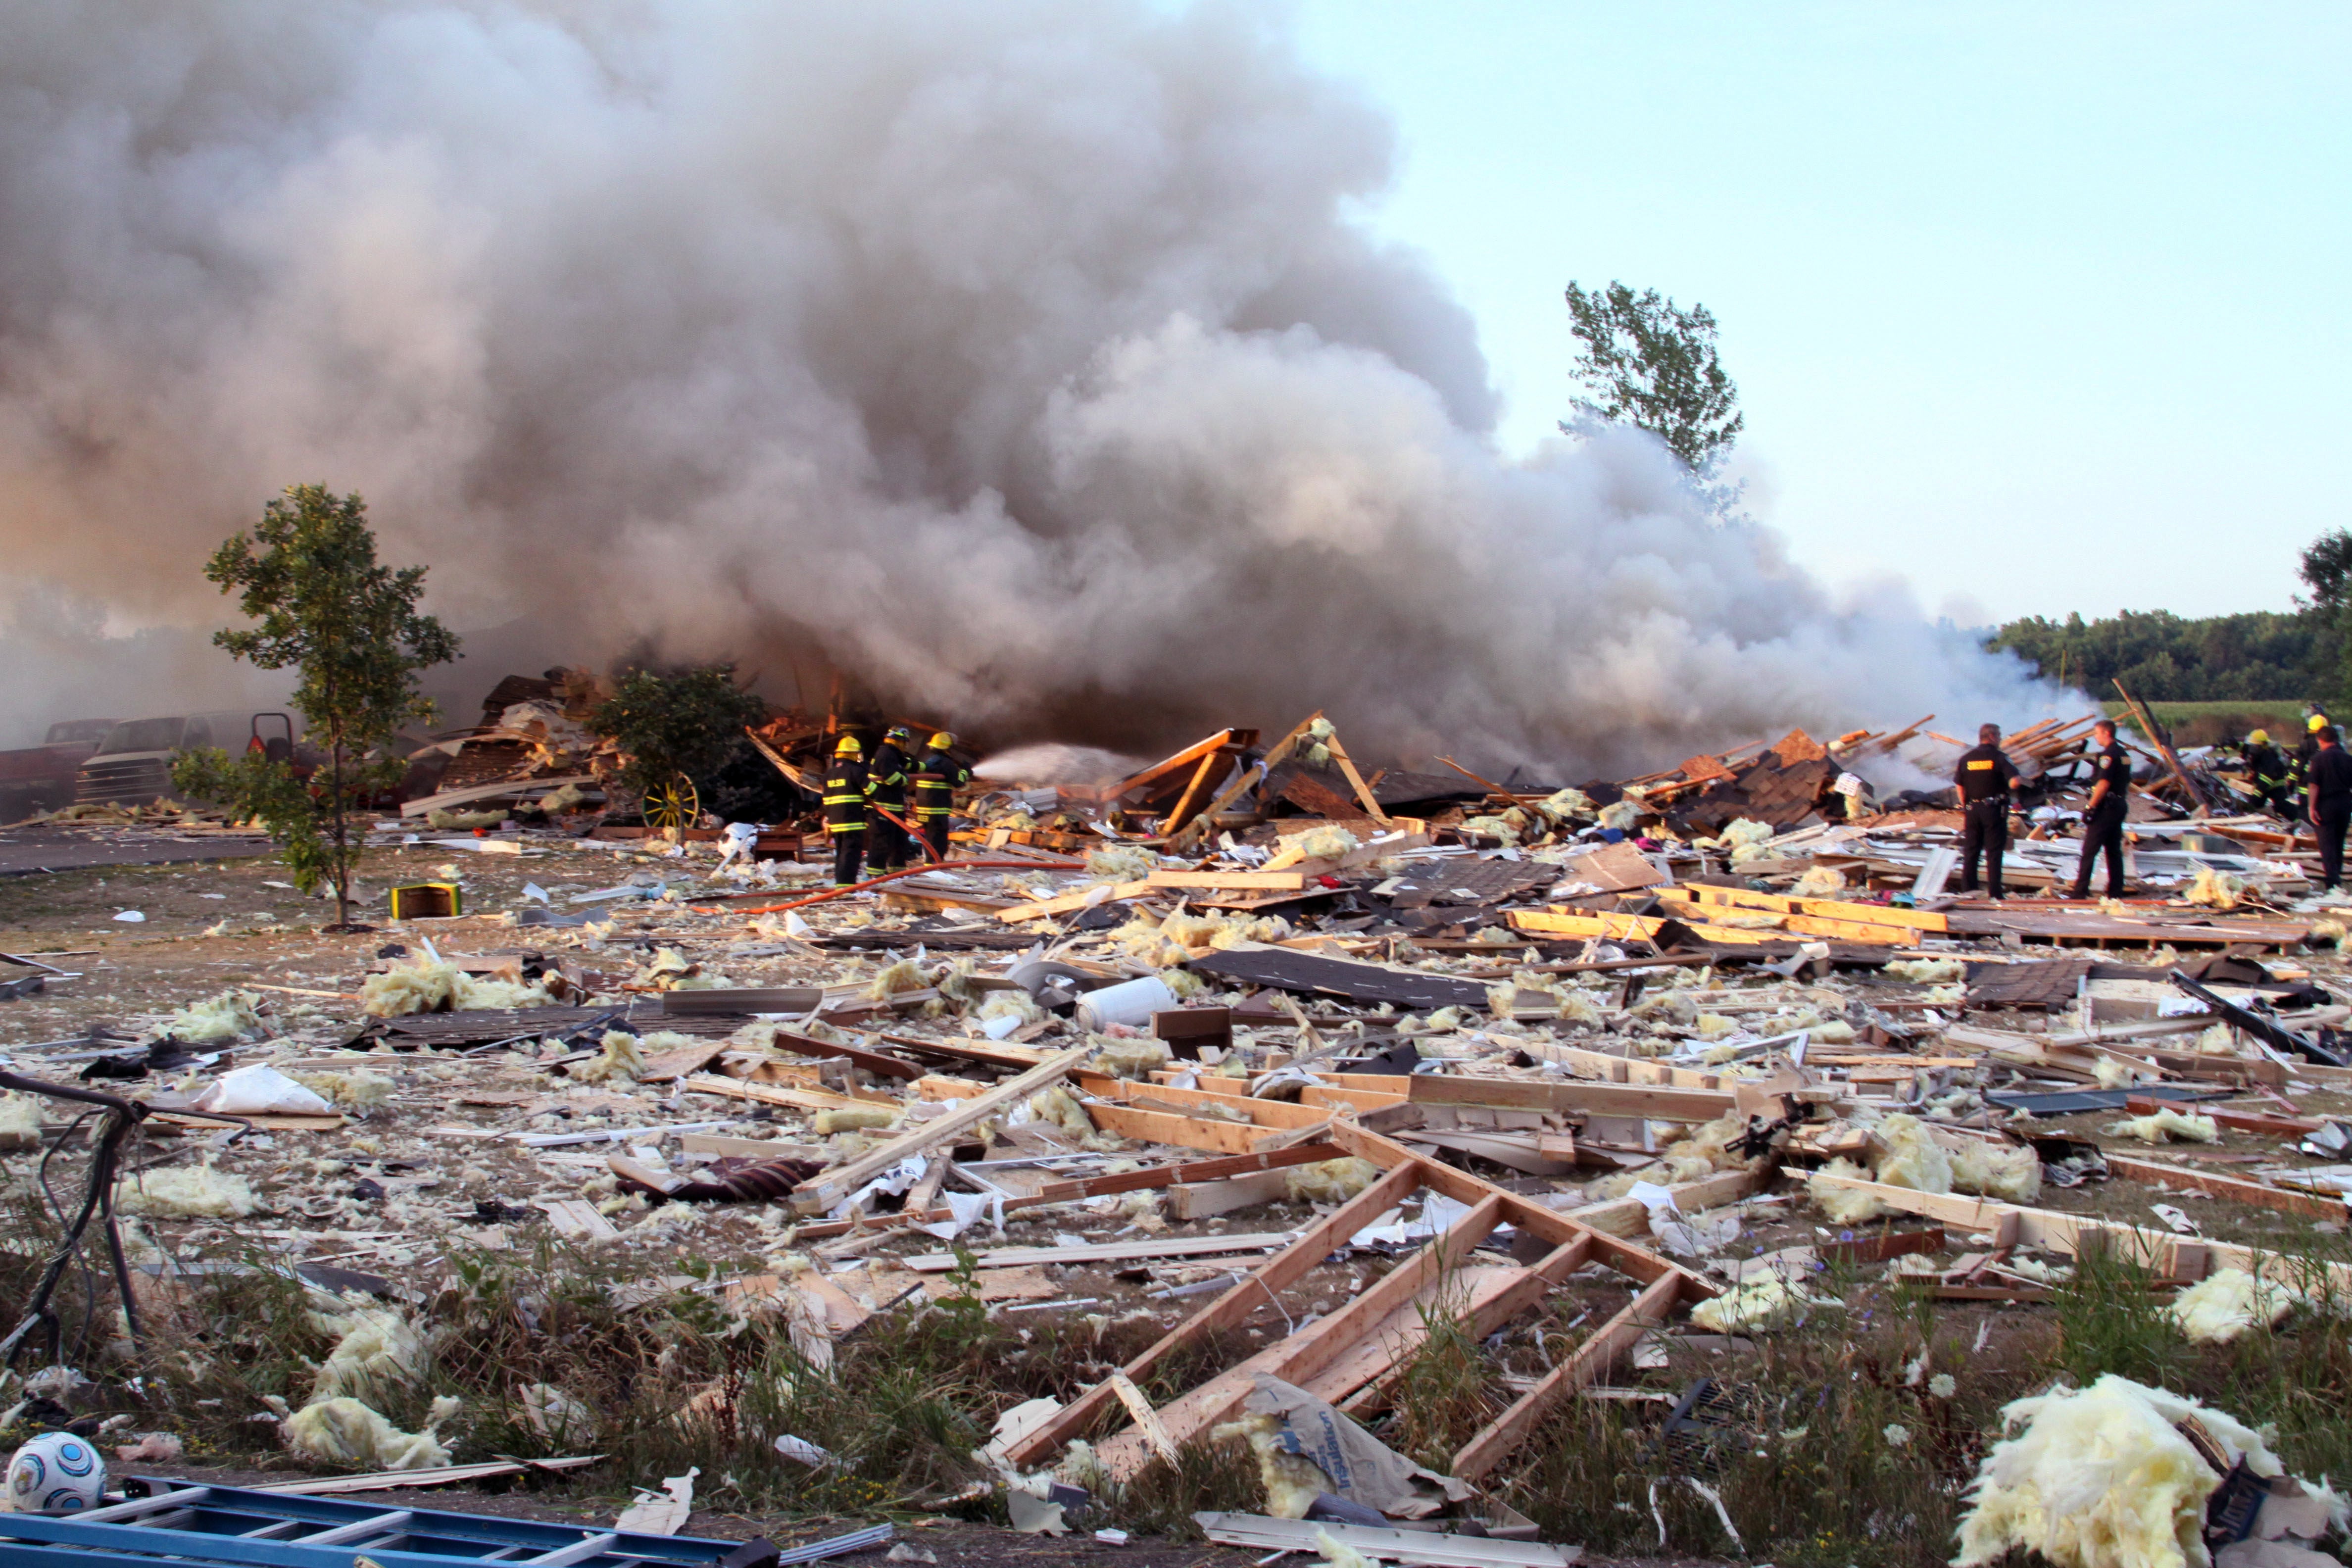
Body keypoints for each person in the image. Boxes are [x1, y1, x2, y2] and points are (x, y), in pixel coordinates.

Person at [1953, 723, 2021, 898]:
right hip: (1993, 810)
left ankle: (1968, 891)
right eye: (1999, 736)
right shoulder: (2000, 758)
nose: (2000, 739)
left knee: (1971, 851)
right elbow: (2014, 781)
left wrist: (1965, 804)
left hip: (1972, 809)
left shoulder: (1967, 758)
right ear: (1992, 737)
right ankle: (1995, 894)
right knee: (1994, 852)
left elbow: (1959, 784)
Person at [2070, 718, 2133, 900]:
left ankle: (2080, 891)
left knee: (2090, 850)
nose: (2095, 737)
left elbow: (2104, 783)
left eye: (2097, 733)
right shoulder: (2124, 754)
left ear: (2106, 733)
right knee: (2113, 850)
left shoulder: (2108, 756)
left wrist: (2091, 807)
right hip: (2119, 804)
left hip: (2106, 807)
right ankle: (2115, 891)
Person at [911, 731, 971, 861]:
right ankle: (934, 865)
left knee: (929, 838)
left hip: (923, 808)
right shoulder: (946, 763)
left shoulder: (929, 761)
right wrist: (966, 771)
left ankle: (930, 863)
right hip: (936, 808)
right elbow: (958, 782)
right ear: (948, 748)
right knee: (938, 839)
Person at [863, 725, 914, 872]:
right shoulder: (886, 754)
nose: (905, 745)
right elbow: (892, 778)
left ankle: (896, 872)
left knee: (899, 842)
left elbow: (909, 764)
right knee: (881, 844)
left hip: (894, 809)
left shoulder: (894, 755)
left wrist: (929, 766)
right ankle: (875, 875)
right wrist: (906, 779)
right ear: (899, 741)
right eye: (905, 742)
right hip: (882, 810)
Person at [2309, 725, 2352, 890]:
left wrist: (2311, 808)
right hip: (2344, 803)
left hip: (2325, 805)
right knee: (2339, 843)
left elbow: (2314, 786)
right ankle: (2337, 876)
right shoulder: (2347, 758)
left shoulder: (2318, 759)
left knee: (2327, 844)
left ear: (2320, 740)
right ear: (2336, 739)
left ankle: (2332, 882)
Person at [823, 735, 869, 887]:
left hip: (835, 821)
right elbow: (872, 791)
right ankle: (846, 886)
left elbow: (826, 799)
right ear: (852, 754)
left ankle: (840, 884)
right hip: (852, 820)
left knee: (841, 854)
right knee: (851, 854)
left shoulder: (829, 774)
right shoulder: (856, 771)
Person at [2242, 728, 2295, 817]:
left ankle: (2297, 823)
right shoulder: (2260, 754)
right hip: (2267, 787)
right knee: (2257, 805)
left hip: (2276, 787)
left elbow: (2266, 779)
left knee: (2282, 806)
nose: (2252, 749)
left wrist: (2256, 796)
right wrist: (2233, 743)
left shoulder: (2269, 758)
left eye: (2254, 746)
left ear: (2261, 745)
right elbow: (2244, 748)